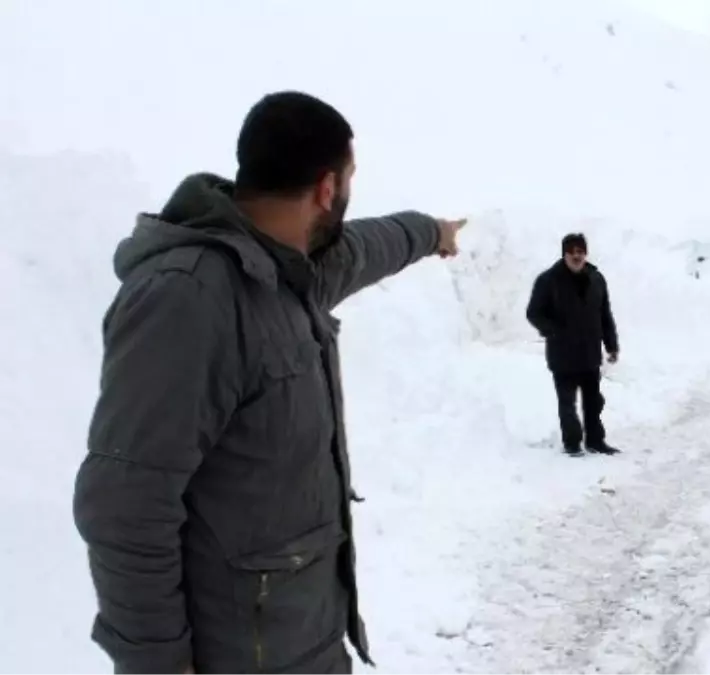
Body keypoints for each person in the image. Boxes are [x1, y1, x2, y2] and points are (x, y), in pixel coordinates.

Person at [71, 90, 467, 675]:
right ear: (327, 188)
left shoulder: (293, 272)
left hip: (303, 639)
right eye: (350, 177)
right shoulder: (191, 297)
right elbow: (125, 504)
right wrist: (158, 664)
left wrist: (432, 232)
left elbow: (371, 245)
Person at [525, 233, 621, 457]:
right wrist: (554, 331)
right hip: (563, 354)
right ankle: (572, 443)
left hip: (589, 353)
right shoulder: (548, 280)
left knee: (593, 402)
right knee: (567, 404)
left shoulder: (597, 279)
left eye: (581, 252)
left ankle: (596, 441)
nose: (577, 256)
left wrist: (612, 345)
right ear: (564, 254)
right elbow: (533, 313)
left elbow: (605, 315)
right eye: (572, 252)